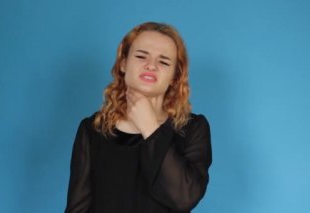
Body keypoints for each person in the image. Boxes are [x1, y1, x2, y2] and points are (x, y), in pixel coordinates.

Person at [64, 22, 212, 213]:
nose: (151, 65)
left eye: (164, 61)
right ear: (123, 63)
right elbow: (77, 208)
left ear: (175, 76)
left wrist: (149, 126)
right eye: (141, 56)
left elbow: (185, 197)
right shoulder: (92, 129)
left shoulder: (193, 128)